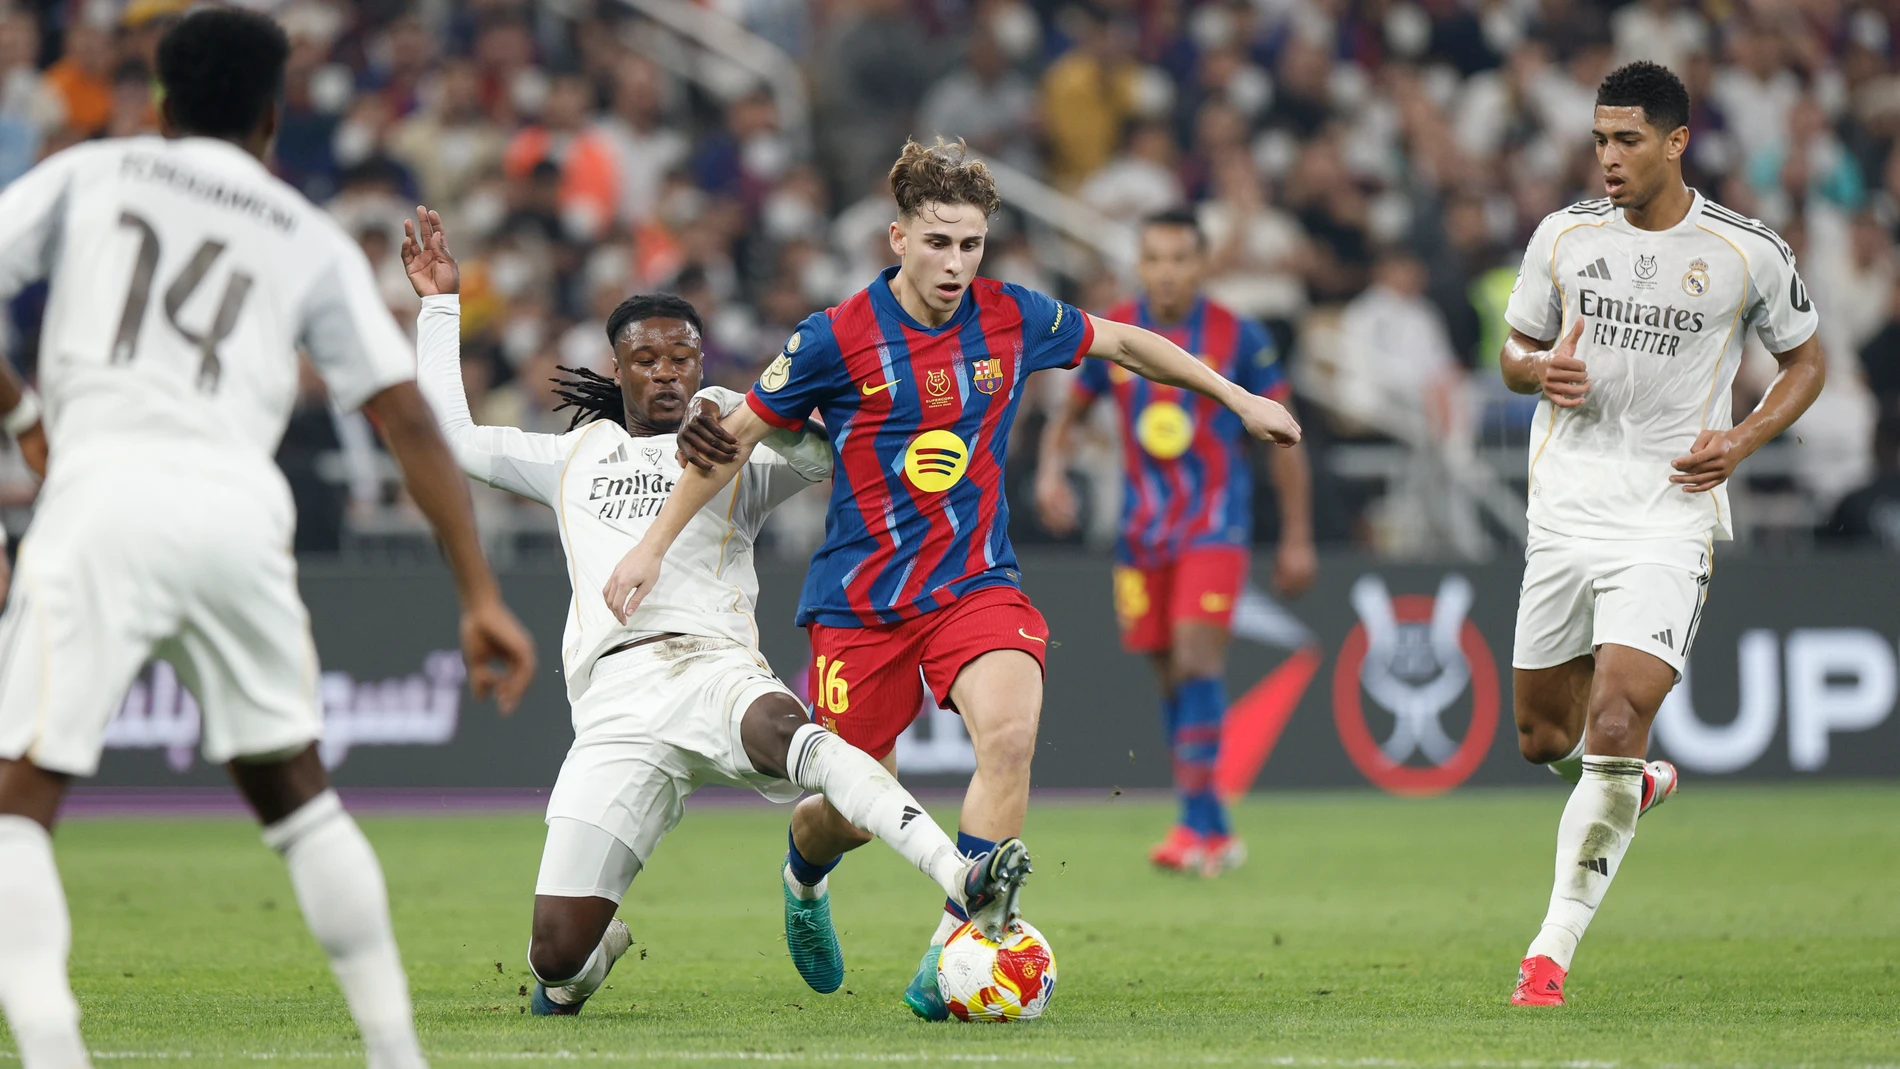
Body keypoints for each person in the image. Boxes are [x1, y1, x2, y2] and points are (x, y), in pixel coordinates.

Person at [602, 137, 1301, 1019]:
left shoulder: (1011, 317)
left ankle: (950, 955)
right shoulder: (836, 335)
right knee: (850, 812)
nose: (956, 263)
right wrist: (652, 544)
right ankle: (803, 875)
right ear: (898, 237)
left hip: (975, 584)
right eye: (938, 242)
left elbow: (1123, 342)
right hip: (861, 606)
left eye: (971, 245)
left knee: (1008, 734)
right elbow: (732, 440)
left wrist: (1236, 399)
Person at [0, 11, 539, 1069]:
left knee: (17, 804)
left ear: (158, 106)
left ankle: (56, 1049)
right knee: (296, 795)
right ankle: (395, 1051)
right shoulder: (303, 231)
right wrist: (478, 592)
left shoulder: (89, 176)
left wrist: (23, 415)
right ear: (272, 116)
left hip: (104, 493)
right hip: (240, 513)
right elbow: (410, 419)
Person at [398, 208, 1031, 1016]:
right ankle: (590, 958)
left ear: (701, 362)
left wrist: (758, 414)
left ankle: (962, 877)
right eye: (647, 358)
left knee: (799, 735)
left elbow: (834, 453)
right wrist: (439, 305)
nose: (666, 372)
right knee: (556, 960)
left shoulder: (735, 441)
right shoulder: (570, 457)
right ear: (618, 367)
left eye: (682, 357)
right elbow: (450, 439)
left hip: (715, 669)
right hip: (616, 710)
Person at [1499, 61, 1824, 1007]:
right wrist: (1533, 374)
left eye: (1627, 139)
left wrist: (1743, 437)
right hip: (1566, 506)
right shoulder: (1562, 236)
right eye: (1599, 139)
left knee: (1612, 721)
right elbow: (1516, 347)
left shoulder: (1743, 250)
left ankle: (1547, 955)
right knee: (1539, 736)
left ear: (1677, 142)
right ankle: (1631, 784)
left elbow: (1806, 361)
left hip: (1669, 512)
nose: (1607, 157)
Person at [1034, 208, 1315, 876]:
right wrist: (1050, 472)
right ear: (1140, 262)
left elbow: (1284, 437)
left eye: (1178, 257)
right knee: (1169, 675)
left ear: (1203, 261)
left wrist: (1297, 535)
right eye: (1153, 257)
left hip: (1215, 528)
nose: (1165, 270)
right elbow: (1068, 412)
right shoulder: (1119, 335)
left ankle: (1193, 825)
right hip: (1142, 535)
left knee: (1194, 659)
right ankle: (1213, 825)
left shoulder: (1236, 335)